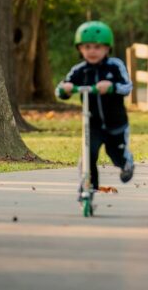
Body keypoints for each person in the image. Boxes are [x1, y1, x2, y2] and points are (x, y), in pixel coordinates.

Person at [56, 20, 135, 194]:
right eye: (87, 47)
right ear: (80, 49)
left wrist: (112, 87)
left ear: (107, 48)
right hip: (92, 124)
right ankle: (88, 186)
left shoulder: (115, 66)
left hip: (116, 124)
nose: (92, 51)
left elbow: (127, 87)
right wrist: (65, 90)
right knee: (88, 156)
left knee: (116, 156)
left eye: (97, 47)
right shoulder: (79, 70)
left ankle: (126, 163)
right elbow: (61, 88)